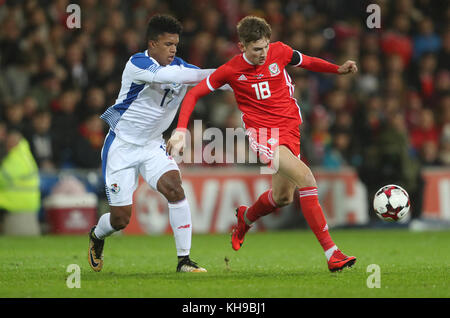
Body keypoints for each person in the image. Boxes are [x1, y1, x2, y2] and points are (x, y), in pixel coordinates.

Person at [167, 16, 358, 272]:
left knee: (283, 197)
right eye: (256, 49)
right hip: (264, 134)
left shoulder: (279, 51)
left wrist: (337, 69)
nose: (263, 53)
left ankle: (245, 218)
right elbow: (194, 94)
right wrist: (180, 130)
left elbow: (307, 61)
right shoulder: (231, 70)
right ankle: (332, 253)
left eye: (265, 47)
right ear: (242, 46)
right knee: (306, 178)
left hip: (290, 130)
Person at [89, 14, 220, 273]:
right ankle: (97, 235)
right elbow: (166, 76)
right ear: (152, 44)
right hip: (122, 146)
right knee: (120, 219)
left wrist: (244, 75)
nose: (173, 49)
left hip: (152, 145)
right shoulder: (137, 64)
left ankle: (184, 260)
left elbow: (216, 80)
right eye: (167, 44)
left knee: (175, 189)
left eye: (176, 44)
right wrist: (205, 75)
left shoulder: (182, 68)